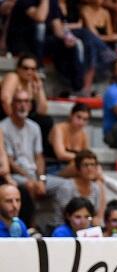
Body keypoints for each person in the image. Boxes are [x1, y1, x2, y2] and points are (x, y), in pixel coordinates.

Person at [1, 89, 69, 222]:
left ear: (31, 105)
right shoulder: (3, 127)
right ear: (12, 104)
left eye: (26, 101)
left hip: (35, 174)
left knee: (66, 185)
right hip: (17, 175)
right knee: (30, 186)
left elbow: (39, 157)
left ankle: (58, 224)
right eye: (19, 101)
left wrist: (41, 179)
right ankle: (31, 224)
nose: (22, 105)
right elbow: (9, 161)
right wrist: (31, 179)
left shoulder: (34, 127)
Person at [59, 149, 106, 226]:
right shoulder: (67, 187)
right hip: (65, 228)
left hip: (86, 227)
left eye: (92, 165)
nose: (89, 168)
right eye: (85, 165)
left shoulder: (95, 188)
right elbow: (64, 215)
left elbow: (94, 213)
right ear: (78, 169)